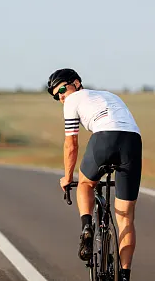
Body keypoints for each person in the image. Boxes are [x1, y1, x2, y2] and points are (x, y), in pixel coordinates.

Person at [47, 69, 142, 281]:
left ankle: (87, 229)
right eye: (57, 96)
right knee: (126, 218)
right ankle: (124, 275)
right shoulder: (110, 95)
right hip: (133, 143)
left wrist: (67, 176)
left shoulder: (73, 100)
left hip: (104, 138)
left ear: (76, 83)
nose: (61, 96)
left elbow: (71, 144)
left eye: (62, 89)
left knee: (85, 184)